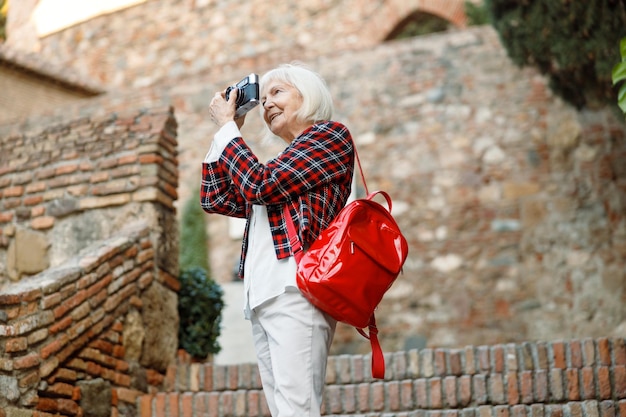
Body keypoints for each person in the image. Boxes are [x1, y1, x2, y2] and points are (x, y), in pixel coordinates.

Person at [200, 63, 355, 417]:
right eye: (264, 96)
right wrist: (228, 130)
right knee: (286, 410)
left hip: (296, 291)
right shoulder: (283, 161)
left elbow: (259, 186)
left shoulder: (330, 137)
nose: (267, 103)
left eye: (278, 92)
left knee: (297, 410)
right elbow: (214, 198)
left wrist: (227, 131)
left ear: (308, 95)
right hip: (263, 296)